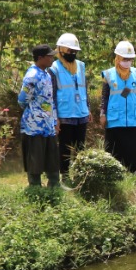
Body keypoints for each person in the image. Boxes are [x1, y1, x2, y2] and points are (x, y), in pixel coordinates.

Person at [100, 40, 136, 172]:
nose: (128, 62)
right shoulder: (109, 74)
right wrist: (102, 114)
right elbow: (105, 96)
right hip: (115, 120)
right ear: (118, 58)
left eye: (130, 59)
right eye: (125, 59)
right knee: (115, 154)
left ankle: (135, 177)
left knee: (134, 152)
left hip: (134, 120)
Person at [18, 44, 60, 187]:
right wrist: (36, 111)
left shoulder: (47, 74)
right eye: (49, 56)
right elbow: (22, 99)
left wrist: (54, 119)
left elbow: (50, 99)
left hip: (48, 124)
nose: (52, 59)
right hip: (34, 125)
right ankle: (35, 186)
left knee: (51, 156)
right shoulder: (32, 76)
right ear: (40, 58)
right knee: (35, 156)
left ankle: (54, 184)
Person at [50, 33, 89, 179]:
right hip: (65, 114)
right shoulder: (54, 68)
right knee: (65, 148)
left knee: (80, 147)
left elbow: (84, 88)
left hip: (81, 112)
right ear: (60, 49)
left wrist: (88, 107)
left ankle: (80, 175)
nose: (72, 53)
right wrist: (55, 118)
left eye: (75, 51)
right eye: (69, 50)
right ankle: (65, 176)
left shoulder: (81, 66)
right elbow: (52, 95)